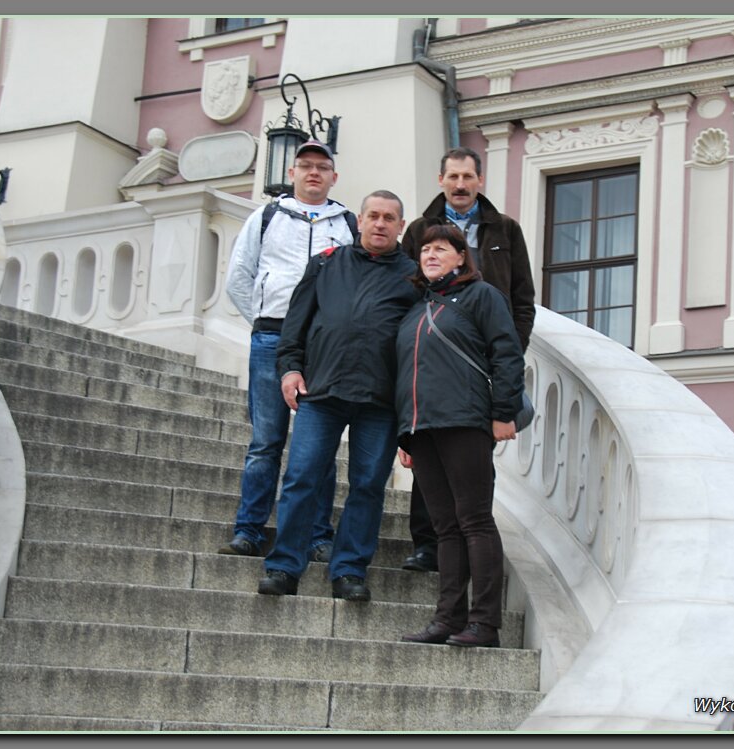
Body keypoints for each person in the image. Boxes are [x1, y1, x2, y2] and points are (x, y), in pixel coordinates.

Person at [257, 190, 420, 601]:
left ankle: (348, 570)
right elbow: (293, 328)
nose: (380, 224)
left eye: (389, 218)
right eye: (373, 216)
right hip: (321, 392)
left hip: (380, 402)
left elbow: (421, 348)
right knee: (301, 478)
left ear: (401, 226)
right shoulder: (326, 264)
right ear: (359, 221)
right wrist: (290, 369)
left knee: (367, 485)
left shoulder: (413, 278)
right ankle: (283, 566)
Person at [398, 146, 535, 573]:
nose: (460, 185)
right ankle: (427, 544)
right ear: (441, 181)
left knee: (471, 465)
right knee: (429, 458)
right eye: (452, 177)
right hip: (432, 358)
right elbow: (404, 291)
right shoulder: (420, 229)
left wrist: (507, 355)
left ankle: (469, 553)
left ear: (480, 182)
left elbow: (523, 300)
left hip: (480, 362)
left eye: (467, 177)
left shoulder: (505, 229)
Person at [222, 140, 356, 562]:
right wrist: (263, 320)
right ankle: (249, 529)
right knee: (265, 441)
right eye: (305, 166)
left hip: (323, 347)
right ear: (293, 173)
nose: (313, 173)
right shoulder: (265, 217)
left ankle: (318, 535)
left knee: (321, 446)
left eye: (322, 167)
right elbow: (238, 277)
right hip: (271, 339)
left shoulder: (347, 223)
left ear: (334, 176)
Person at [394, 222, 525, 648]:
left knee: (474, 521)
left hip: (466, 421)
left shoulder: (481, 296)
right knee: (445, 528)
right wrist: (405, 433)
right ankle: (447, 620)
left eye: (442, 249)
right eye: (425, 249)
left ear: (461, 257)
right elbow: (404, 374)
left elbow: (507, 353)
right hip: (423, 427)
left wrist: (503, 412)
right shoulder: (416, 309)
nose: (431, 254)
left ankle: (484, 624)